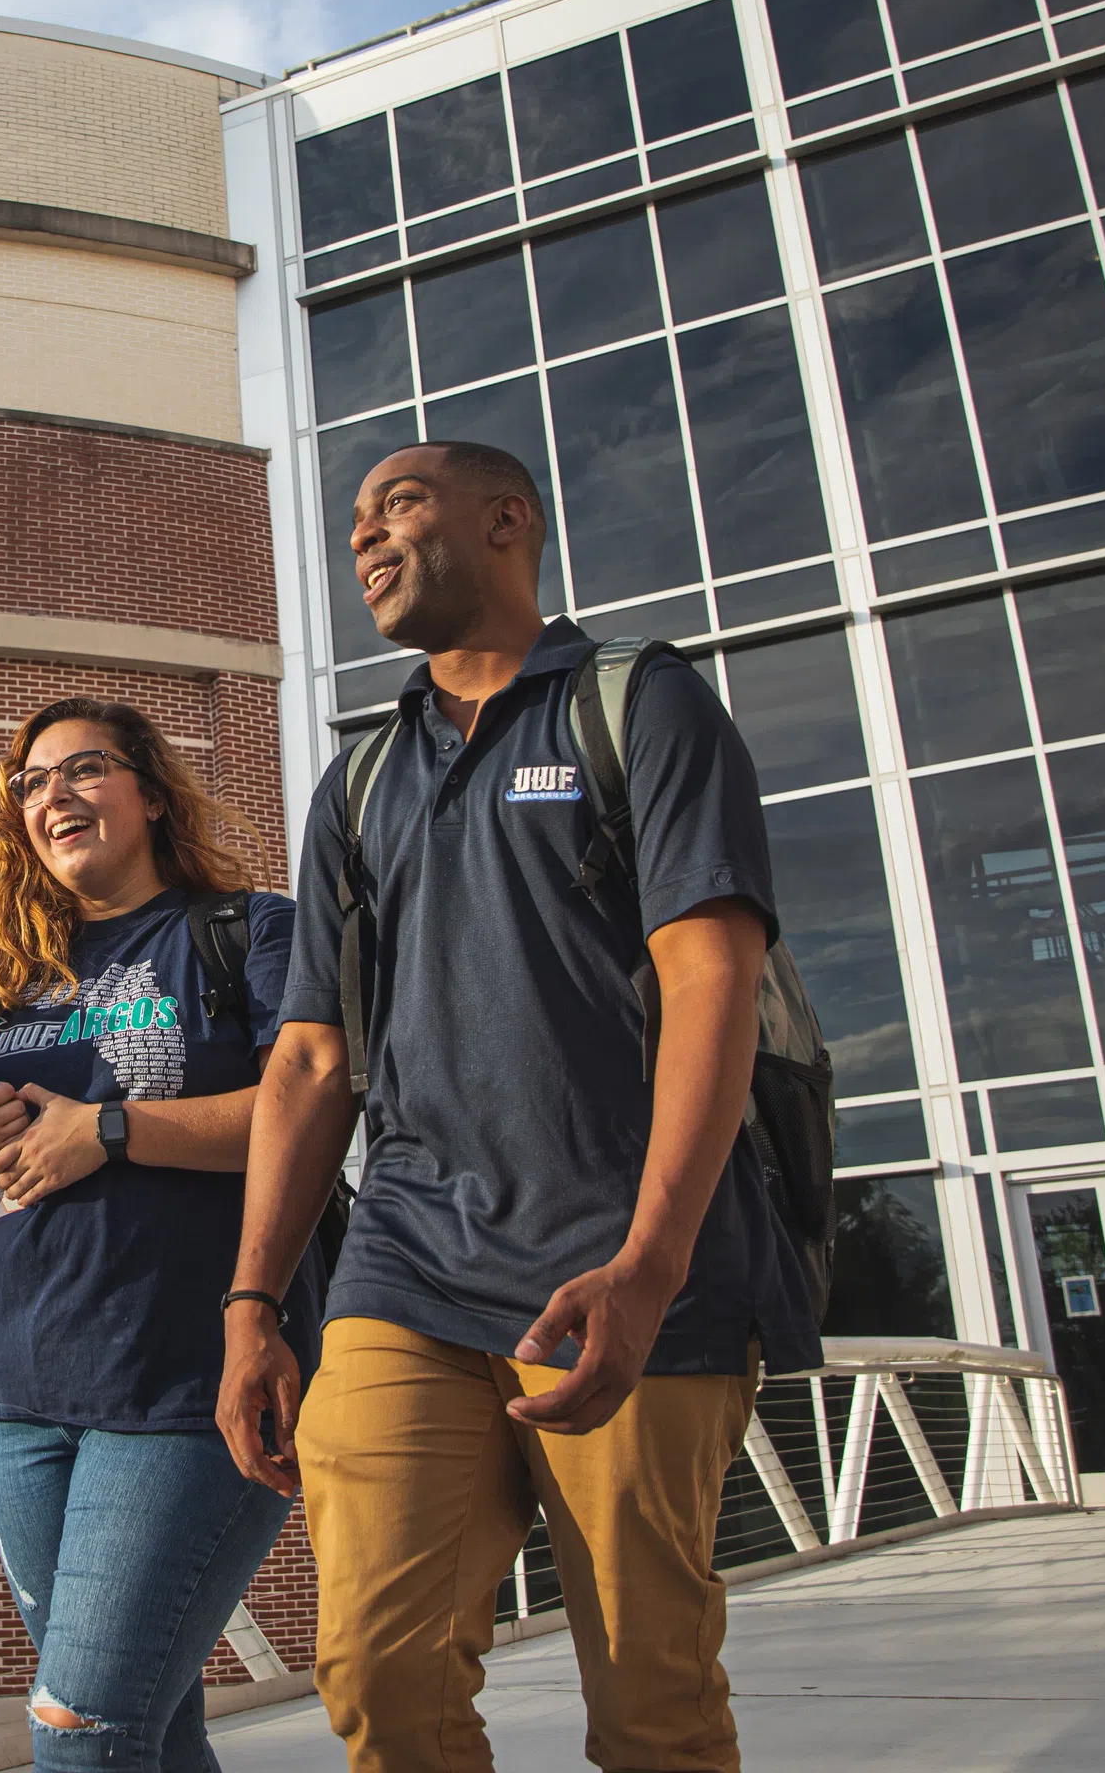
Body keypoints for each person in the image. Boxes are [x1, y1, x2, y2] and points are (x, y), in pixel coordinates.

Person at [213, 441, 818, 1773]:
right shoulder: (359, 782)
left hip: (624, 1264)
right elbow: (311, 1060)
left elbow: (711, 974)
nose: (365, 536)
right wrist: (254, 1305)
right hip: (409, 1264)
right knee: (376, 1662)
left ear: (507, 520)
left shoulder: (638, 705)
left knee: (652, 1702)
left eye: (400, 505)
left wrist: (651, 1267)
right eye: (355, 519)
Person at [0, 695, 319, 1773]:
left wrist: (109, 1130)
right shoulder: (1, 983)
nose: (53, 794)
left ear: (153, 794)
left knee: (81, 1733)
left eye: (83, 768)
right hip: (23, 1394)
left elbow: (308, 1110)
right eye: (30, 782)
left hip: (183, 1380)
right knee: (154, 1733)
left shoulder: (248, 929)